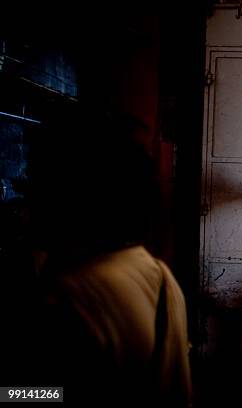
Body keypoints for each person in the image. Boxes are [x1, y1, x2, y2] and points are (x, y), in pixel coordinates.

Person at [23, 106, 192, 406]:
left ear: (72, 193)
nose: (25, 191)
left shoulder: (69, 298)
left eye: (38, 178)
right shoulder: (154, 272)